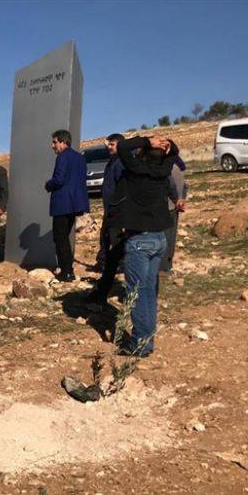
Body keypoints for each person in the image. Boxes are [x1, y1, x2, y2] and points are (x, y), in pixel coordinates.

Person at [107, 135, 178, 357]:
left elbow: (123, 147)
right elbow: (174, 153)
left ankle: (139, 343)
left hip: (139, 240)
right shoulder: (164, 170)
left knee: (137, 294)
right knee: (148, 293)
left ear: (144, 155)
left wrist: (147, 140)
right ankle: (146, 341)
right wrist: (167, 145)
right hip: (158, 239)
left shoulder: (137, 170)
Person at [45, 130, 89, 282]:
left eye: (54, 142)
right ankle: (68, 269)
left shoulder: (62, 156)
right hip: (75, 203)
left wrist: (48, 185)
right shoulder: (79, 157)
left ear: (63, 142)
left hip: (63, 203)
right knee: (64, 237)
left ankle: (66, 272)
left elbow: (59, 179)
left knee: (60, 238)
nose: (52, 146)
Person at [95, 134, 125, 269]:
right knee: (105, 236)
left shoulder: (121, 163)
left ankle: (120, 264)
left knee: (115, 237)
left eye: (112, 144)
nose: (109, 147)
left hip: (116, 209)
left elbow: (122, 187)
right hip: (109, 208)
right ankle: (103, 261)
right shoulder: (112, 161)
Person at [160, 158, 187, 272]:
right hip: (174, 207)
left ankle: (163, 267)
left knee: (164, 238)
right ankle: (168, 264)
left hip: (166, 208)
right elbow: (185, 188)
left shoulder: (163, 170)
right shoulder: (176, 168)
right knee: (171, 237)